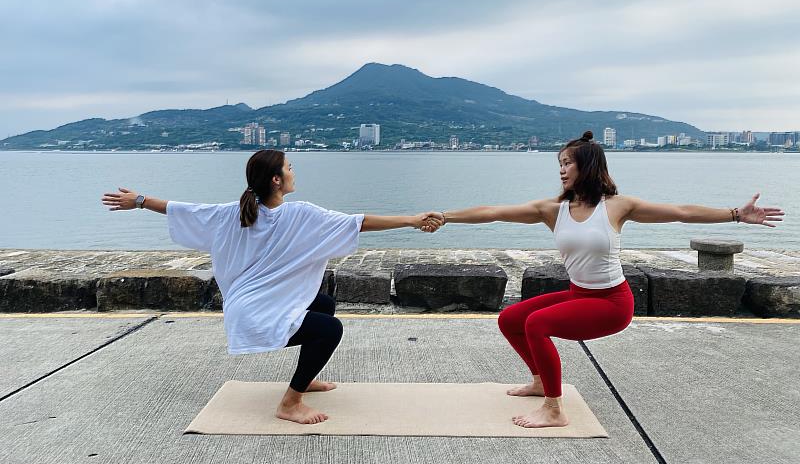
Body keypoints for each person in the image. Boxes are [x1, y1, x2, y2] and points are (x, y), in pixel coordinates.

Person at [431, 130, 784, 429]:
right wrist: (446, 216)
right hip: (577, 295)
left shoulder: (617, 207)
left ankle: (554, 410)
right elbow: (492, 213)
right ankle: (540, 383)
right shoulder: (552, 210)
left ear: (588, 166)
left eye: (567, 163)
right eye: (560, 165)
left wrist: (736, 214)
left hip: (611, 304)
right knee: (511, 319)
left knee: (537, 323)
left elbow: (680, 212)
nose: (562, 171)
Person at [102, 149, 443, 425]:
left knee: (321, 303)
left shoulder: (232, 212)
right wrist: (412, 220)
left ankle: (305, 379)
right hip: (258, 314)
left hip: (243, 310)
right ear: (277, 180)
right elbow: (360, 223)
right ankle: (290, 403)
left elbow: (180, 210)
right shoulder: (298, 215)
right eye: (290, 168)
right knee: (329, 329)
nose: (295, 172)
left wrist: (140, 199)